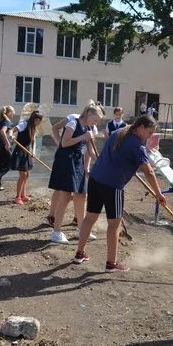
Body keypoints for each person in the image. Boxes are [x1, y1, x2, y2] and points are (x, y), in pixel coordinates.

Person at [72, 115, 167, 272]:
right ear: (141, 127)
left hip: (96, 179)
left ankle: (79, 253)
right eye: (149, 133)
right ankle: (111, 263)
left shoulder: (119, 132)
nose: (150, 136)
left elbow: (120, 154)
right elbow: (149, 172)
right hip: (112, 186)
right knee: (114, 225)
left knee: (89, 217)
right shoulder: (136, 145)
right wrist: (158, 193)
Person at [48, 103, 104, 244]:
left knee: (82, 196)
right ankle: (56, 232)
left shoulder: (90, 128)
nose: (96, 123)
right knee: (65, 197)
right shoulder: (73, 123)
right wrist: (83, 136)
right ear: (88, 114)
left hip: (78, 163)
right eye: (96, 119)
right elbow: (65, 143)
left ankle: (82, 229)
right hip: (66, 162)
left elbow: (90, 151)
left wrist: (101, 160)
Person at [9, 111, 44, 205]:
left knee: (27, 174)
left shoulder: (33, 128)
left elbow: (34, 141)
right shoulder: (23, 124)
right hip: (19, 151)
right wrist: (11, 135)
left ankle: (23, 195)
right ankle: (17, 197)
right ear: (35, 119)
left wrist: (33, 152)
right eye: (39, 121)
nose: (39, 123)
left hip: (27, 151)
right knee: (23, 175)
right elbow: (12, 130)